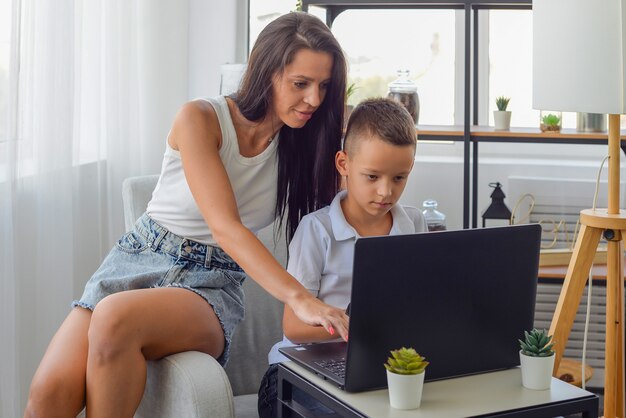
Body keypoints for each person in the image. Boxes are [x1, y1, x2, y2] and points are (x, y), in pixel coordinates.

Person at [24, 12, 349, 418]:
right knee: (47, 395)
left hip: (210, 283)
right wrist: (300, 299)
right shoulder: (200, 119)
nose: (314, 100)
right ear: (266, 73)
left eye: (323, 86)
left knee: (114, 317)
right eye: (300, 84)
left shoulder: (307, 143)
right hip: (138, 256)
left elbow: (355, 197)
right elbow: (224, 224)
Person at [257, 97, 429, 418]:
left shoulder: (414, 223)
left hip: (373, 368)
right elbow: (294, 326)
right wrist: (364, 329)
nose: (385, 193)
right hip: (294, 377)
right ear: (343, 165)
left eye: (398, 178)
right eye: (372, 176)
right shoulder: (316, 230)